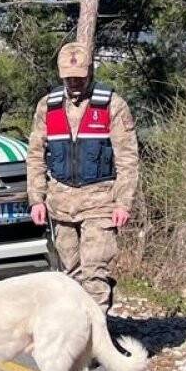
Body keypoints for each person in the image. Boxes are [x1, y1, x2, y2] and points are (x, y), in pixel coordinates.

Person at [26, 42, 140, 311]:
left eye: (80, 76)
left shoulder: (112, 105)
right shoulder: (48, 107)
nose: (75, 82)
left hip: (100, 200)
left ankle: (97, 338)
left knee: (94, 272)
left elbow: (127, 158)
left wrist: (123, 203)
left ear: (90, 72)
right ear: (61, 75)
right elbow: (35, 156)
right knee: (71, 276)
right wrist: (36, 199)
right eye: (69, 77)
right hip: (60, 203)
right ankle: (77, 338)